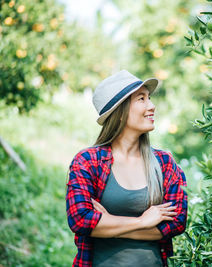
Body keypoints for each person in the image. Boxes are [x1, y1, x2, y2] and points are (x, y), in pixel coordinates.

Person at [65, 70, 188, 267]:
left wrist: (105, 222)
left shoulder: (165, 163)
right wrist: (143, 222)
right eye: (141, 99)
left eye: (149, 98)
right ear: (119, 113)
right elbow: (80, 220)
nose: (152, 106)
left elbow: (177, 222)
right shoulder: (88, 161)